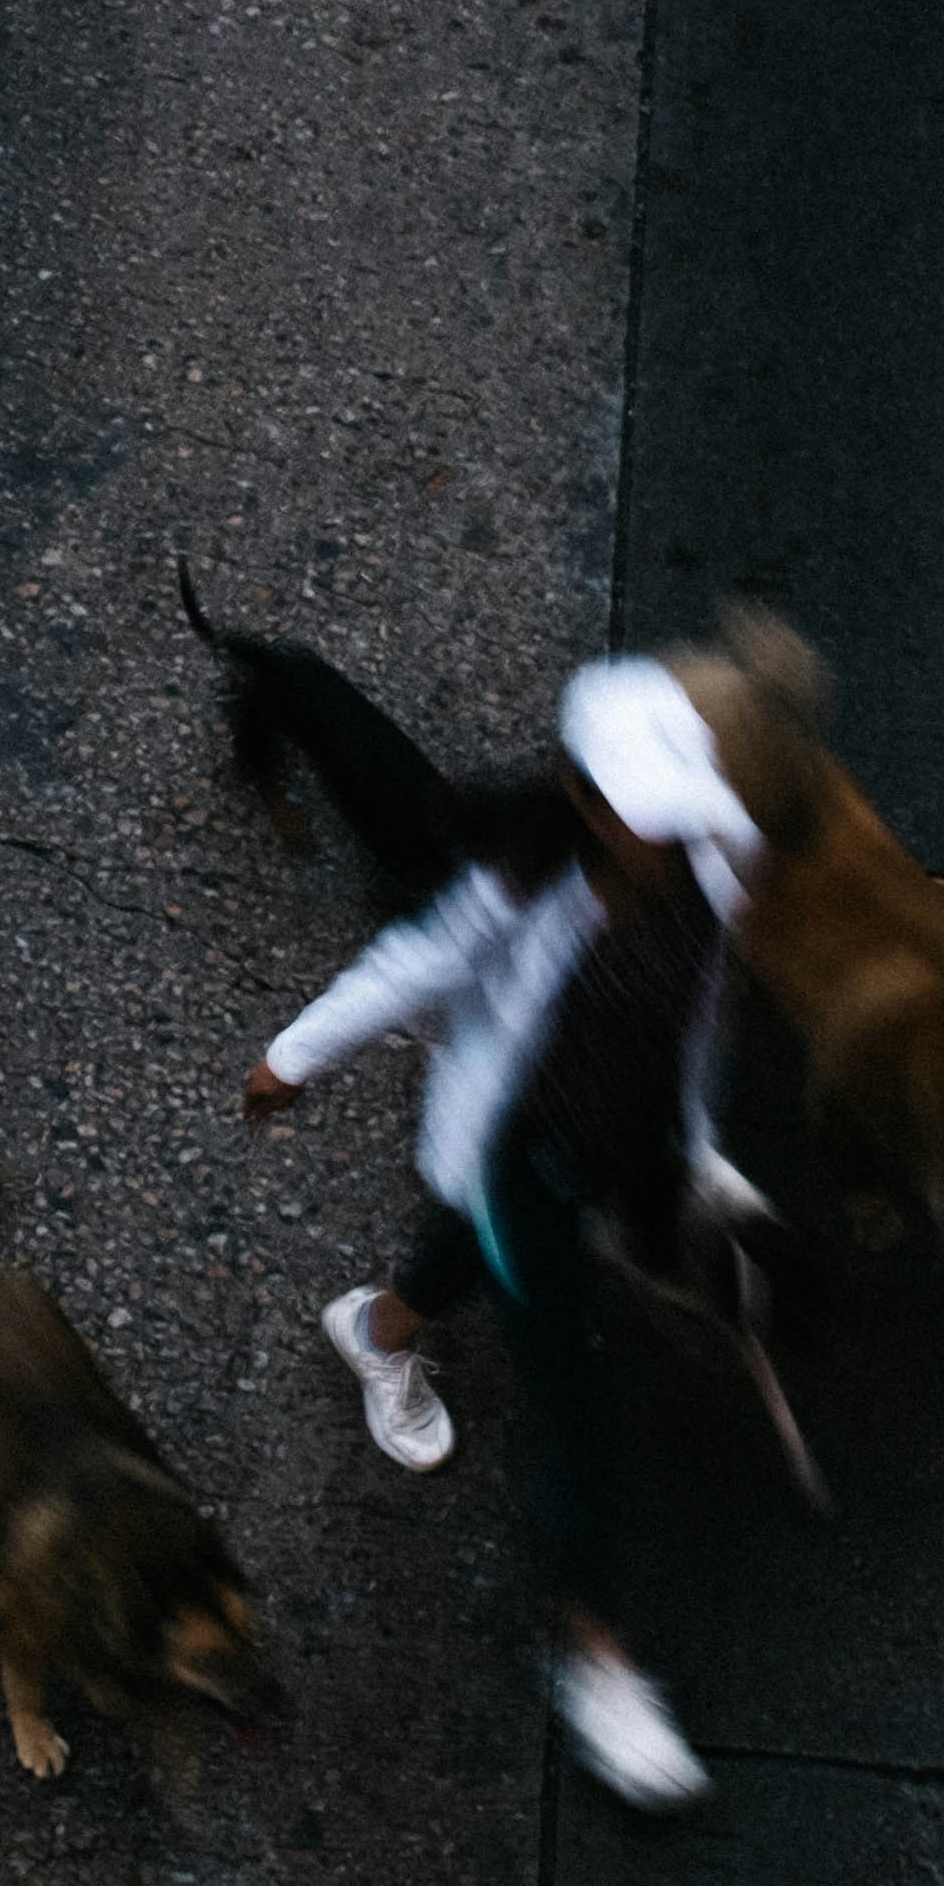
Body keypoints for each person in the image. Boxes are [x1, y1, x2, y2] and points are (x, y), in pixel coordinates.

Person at [245, 657, 764, 1814]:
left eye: (676, 817)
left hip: (610, 1153)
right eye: (644, 817)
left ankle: (379, 1328)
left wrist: (689, 1149)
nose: (663, 840)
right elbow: (416, 961)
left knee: (464, 1259)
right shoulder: (524, 882)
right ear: (584, 800)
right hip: (519, 1156)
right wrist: (295, 1055)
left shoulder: (711, 881)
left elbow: (693, 1027)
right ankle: (600, 1663)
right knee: (572, 1403)